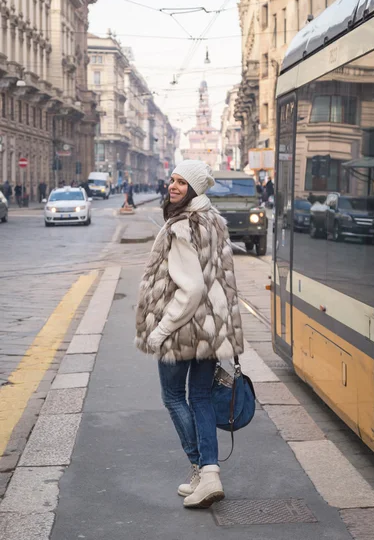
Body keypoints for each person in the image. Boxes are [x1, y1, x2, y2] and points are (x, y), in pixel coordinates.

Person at [136, 160, 244, 509]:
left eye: (182, 182)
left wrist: (162, 329)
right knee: (198, 398)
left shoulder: (182, 226)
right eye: (172, 179)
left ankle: (203, 469)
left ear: (195, 189)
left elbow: (192, 287)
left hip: (182, 330)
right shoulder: (212, 220)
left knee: (172, 397)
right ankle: (206, 474)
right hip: (209, 330)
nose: (173, 186)